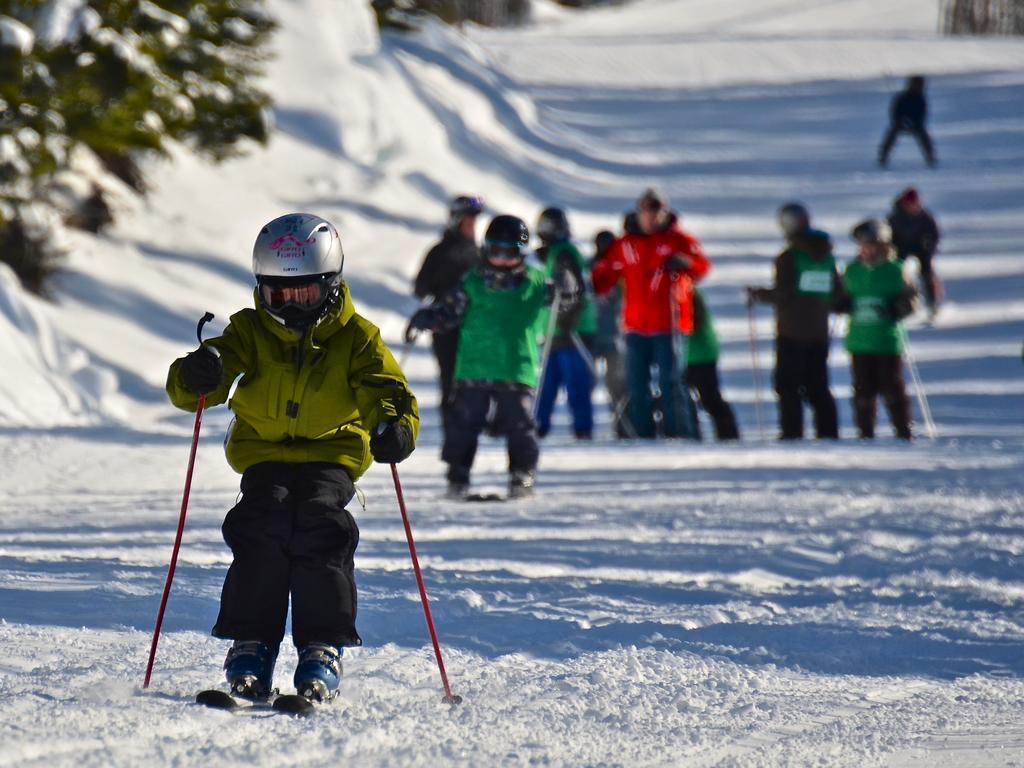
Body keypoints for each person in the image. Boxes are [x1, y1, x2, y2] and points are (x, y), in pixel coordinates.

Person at [166, 213, 418, 704]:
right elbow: (201, 382)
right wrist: (197, 375)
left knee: (320, 525)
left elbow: (384, 388)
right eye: (278, 294)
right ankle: (251, 644)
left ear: (330, 285)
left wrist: (394, 426)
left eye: (303, 293)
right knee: (262, 523)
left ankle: (322, 646)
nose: (290, 305)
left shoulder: (356, 336)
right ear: (261, 289)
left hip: (331, 453)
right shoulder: (250, 330)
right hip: (264, 453)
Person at [407, 214, 578, 499]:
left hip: (516, 365)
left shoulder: (535, 283)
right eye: (494, 251)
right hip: (474, 366)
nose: (500, 259)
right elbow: (450, 311)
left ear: (521, 253)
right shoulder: (472, 281)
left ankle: (521, 472)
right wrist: (430, 317)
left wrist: (567, 285)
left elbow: (564, 301)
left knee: (520, 424)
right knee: (464, 422)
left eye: (508, 252)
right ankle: (457, 473)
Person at [591, 189, 711, 439]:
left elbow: (701, 267)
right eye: (646, 212)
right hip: (635, 326)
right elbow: (603, 278)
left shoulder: (679, 240)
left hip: (670, 324)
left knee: (672, 382)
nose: (651, 218)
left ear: (663, 212)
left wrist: (685, 263)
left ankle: (679, 432)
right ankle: (640, 434)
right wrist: (596, 265)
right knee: (636, 384)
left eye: (656, 212)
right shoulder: (625, 244)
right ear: (639, 213)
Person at [747, 202, 841, 440]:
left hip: (791, 331)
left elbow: (783, 294)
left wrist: (759, 295)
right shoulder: (826, 256)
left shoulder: (788, 258)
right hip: (819, 331)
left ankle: (791, 433)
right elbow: (837, 294)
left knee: (787, 385)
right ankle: (828, 433)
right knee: (818, 385)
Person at [411, 195, 485, 437]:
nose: (472, 227)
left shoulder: (481, 253)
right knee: (450, 380)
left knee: (476, 380)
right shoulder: (440, 252)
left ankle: (474, 427)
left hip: (477, 328)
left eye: (475, 222)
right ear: (456, 221)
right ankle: (452, 432)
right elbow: (421, 288)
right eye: (468, 222)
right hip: (446, 329)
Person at [838, 219, 916, 439]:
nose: (866, 250)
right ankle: (865, 432)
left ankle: (903, 430)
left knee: (892, 388)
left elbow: (911, 299)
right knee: (863, 390)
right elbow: (841, 296)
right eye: (862, 245)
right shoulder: (852, 270)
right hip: (859, 340)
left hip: (887, 341)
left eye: (871, 245)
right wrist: (841, 304)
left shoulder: (896, 270)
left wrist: (895, 309)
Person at [533, 207, 598, 440]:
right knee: (546, 385)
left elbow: (573, 289)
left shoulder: (564, 253)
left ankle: (583, 428)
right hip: (555, 332)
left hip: (572, 331)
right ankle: (538, 426)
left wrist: (567, 319)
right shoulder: (554, 253)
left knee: (576, 385)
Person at [686, 288, 740, 440]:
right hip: (688, 354)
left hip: (701, 354)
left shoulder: (689, 292)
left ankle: (728, 435)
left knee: (709, 398)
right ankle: (691, 434)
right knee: (684, 399)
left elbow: (695, 322)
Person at [589, 230, 629, 437]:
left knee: (618, 385)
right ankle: (584, 427)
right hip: (591, 334)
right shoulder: (589, 269)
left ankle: (622, 425)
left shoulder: (622, 270)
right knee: (586, 381)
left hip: (616, 335)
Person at [888, 187, 942, 321]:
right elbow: (888, 236)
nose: (912, 207)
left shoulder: (925, 217)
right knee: (896, 272)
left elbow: (934, 234)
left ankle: (932, 303)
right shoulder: (895, 217)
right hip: (901, 248)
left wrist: (930, 247)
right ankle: (895, 302)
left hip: (921, 248)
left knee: (927, 272)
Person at [878, 75, 936, 168]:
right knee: (891, 133)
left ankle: (931, 159)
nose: (918, 88)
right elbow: (894, 113)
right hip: (900, 124)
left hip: (916, 125)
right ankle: (882, 158)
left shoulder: (921, 99)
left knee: (924, 135)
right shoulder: (901, 97)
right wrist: (901, 121)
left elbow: (922, 115)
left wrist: (914, 123)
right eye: (916, 85)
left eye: (920, 85)